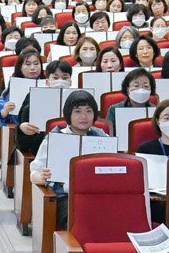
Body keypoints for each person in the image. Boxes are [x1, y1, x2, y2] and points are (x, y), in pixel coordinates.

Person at [29, 89, 109, 229]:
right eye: (77, 111)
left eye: (89, 111)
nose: (84, 116)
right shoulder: (54, 138)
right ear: (68, 114)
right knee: (80, 220)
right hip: (65, 197)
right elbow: (34, 173)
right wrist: (41, 177)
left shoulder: (102, 138)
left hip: (97, 195)